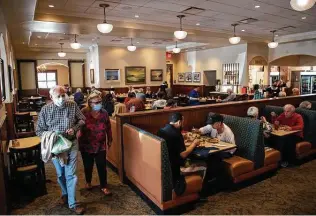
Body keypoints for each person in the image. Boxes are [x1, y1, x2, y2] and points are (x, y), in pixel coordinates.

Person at [36, 86, 86, 214]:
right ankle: (65, 193)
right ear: (51, 97)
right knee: (60, 174)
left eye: (63, 95)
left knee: (71, 174)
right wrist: (52, 135)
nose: (61, 98)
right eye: (58, 96)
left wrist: (74, 129)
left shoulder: (72, 105)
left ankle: (73, 202)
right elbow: (39, 130)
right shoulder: (45, 110)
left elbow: (82, 119)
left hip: (71, 143)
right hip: (55, 147)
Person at [157, 113, 206, 196]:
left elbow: (172, 146)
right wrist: (194, 143)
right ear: (179, 122)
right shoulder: (176, 134)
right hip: (177, 168)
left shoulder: (161, 130)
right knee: (204, 164)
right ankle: (199, 193)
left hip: (164, 165)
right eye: (183, 122)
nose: (183, 124)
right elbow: (183, 155)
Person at [79, 93, 112, 196]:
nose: (99, 104)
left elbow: (108, 126)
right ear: (90, 103)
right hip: (86, 144)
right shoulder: (84, 112)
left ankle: (104, 186)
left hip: (100, 144)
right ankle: (88, 182)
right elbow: (78, 126)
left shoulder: (104, 113)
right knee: (88, 165)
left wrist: (110, 139)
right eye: (96, 102)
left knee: (102, 166)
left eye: (100, 102)